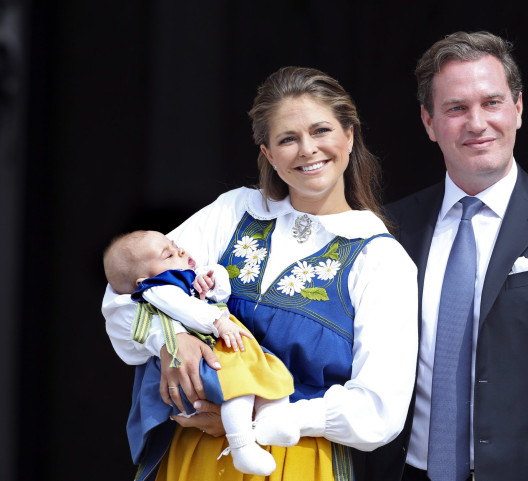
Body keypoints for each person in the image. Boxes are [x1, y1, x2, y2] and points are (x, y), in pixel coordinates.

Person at [101, 66, 418, 481]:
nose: (307, 149)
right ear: (268, 153)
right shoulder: (234, 212)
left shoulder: (381, 259)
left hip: (295, 461)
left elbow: (379, 411)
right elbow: (122, 297)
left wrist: (254, 419)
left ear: (350, 136)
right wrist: (172, 340)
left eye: (321, 130)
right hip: (191, 457)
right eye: (287, 138)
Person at [361, 31, 528, 481]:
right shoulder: (389, 229)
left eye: (491, 102)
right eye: (456, 108)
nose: (476, 123)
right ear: (429, 123)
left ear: (518, 109)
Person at [103, 229, 297, 476]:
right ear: (143, 280)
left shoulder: (182, 281)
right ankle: (242, 444)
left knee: (267, 369)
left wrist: (212, 279)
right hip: (208, 348)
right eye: (168, 254)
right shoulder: (159, 289)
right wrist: (218, 321)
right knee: (239, 385)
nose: (180, 251)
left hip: (223, 341)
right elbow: (187, 309)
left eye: (176, 245)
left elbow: (218, 295)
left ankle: (271, 418)